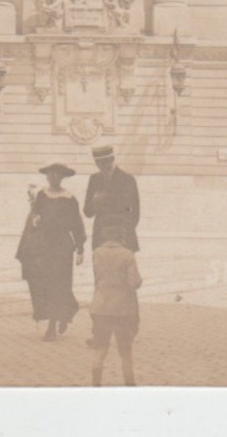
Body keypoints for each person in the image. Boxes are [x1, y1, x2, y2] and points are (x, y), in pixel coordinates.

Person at [15, 163, 87, 341]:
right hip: (44, 246)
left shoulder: (69, 198)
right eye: (51, 175)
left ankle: (53, 326)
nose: (53, 178)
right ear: (47, 177)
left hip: (62, 247)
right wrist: (35, 218)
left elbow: (77, 224)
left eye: (57, 175)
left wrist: (80, 248)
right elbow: (35, 216)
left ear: (62, 177)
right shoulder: (42, 195)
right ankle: (65, 312)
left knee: (59, 284)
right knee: (45, 283)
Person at [88, 217, 142, 386]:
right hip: (123, 310)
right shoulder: (127, 255)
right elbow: (135, 282)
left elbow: (98, 278)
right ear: (122, 236)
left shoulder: (96, 253)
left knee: (100, 349)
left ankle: (96, 384)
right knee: (125, 351)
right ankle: (129, 384)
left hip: (100, 307)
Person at [83, 145, 140, 251]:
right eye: (97, 162)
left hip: (123, 237)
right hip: (101, 238)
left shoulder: (127, 179)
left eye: (104, 162)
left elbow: (135, 212)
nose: (100, 166)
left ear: (112, 159)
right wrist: (94, 203)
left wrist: (126, 232)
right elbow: (87, 212)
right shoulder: (94, 179)